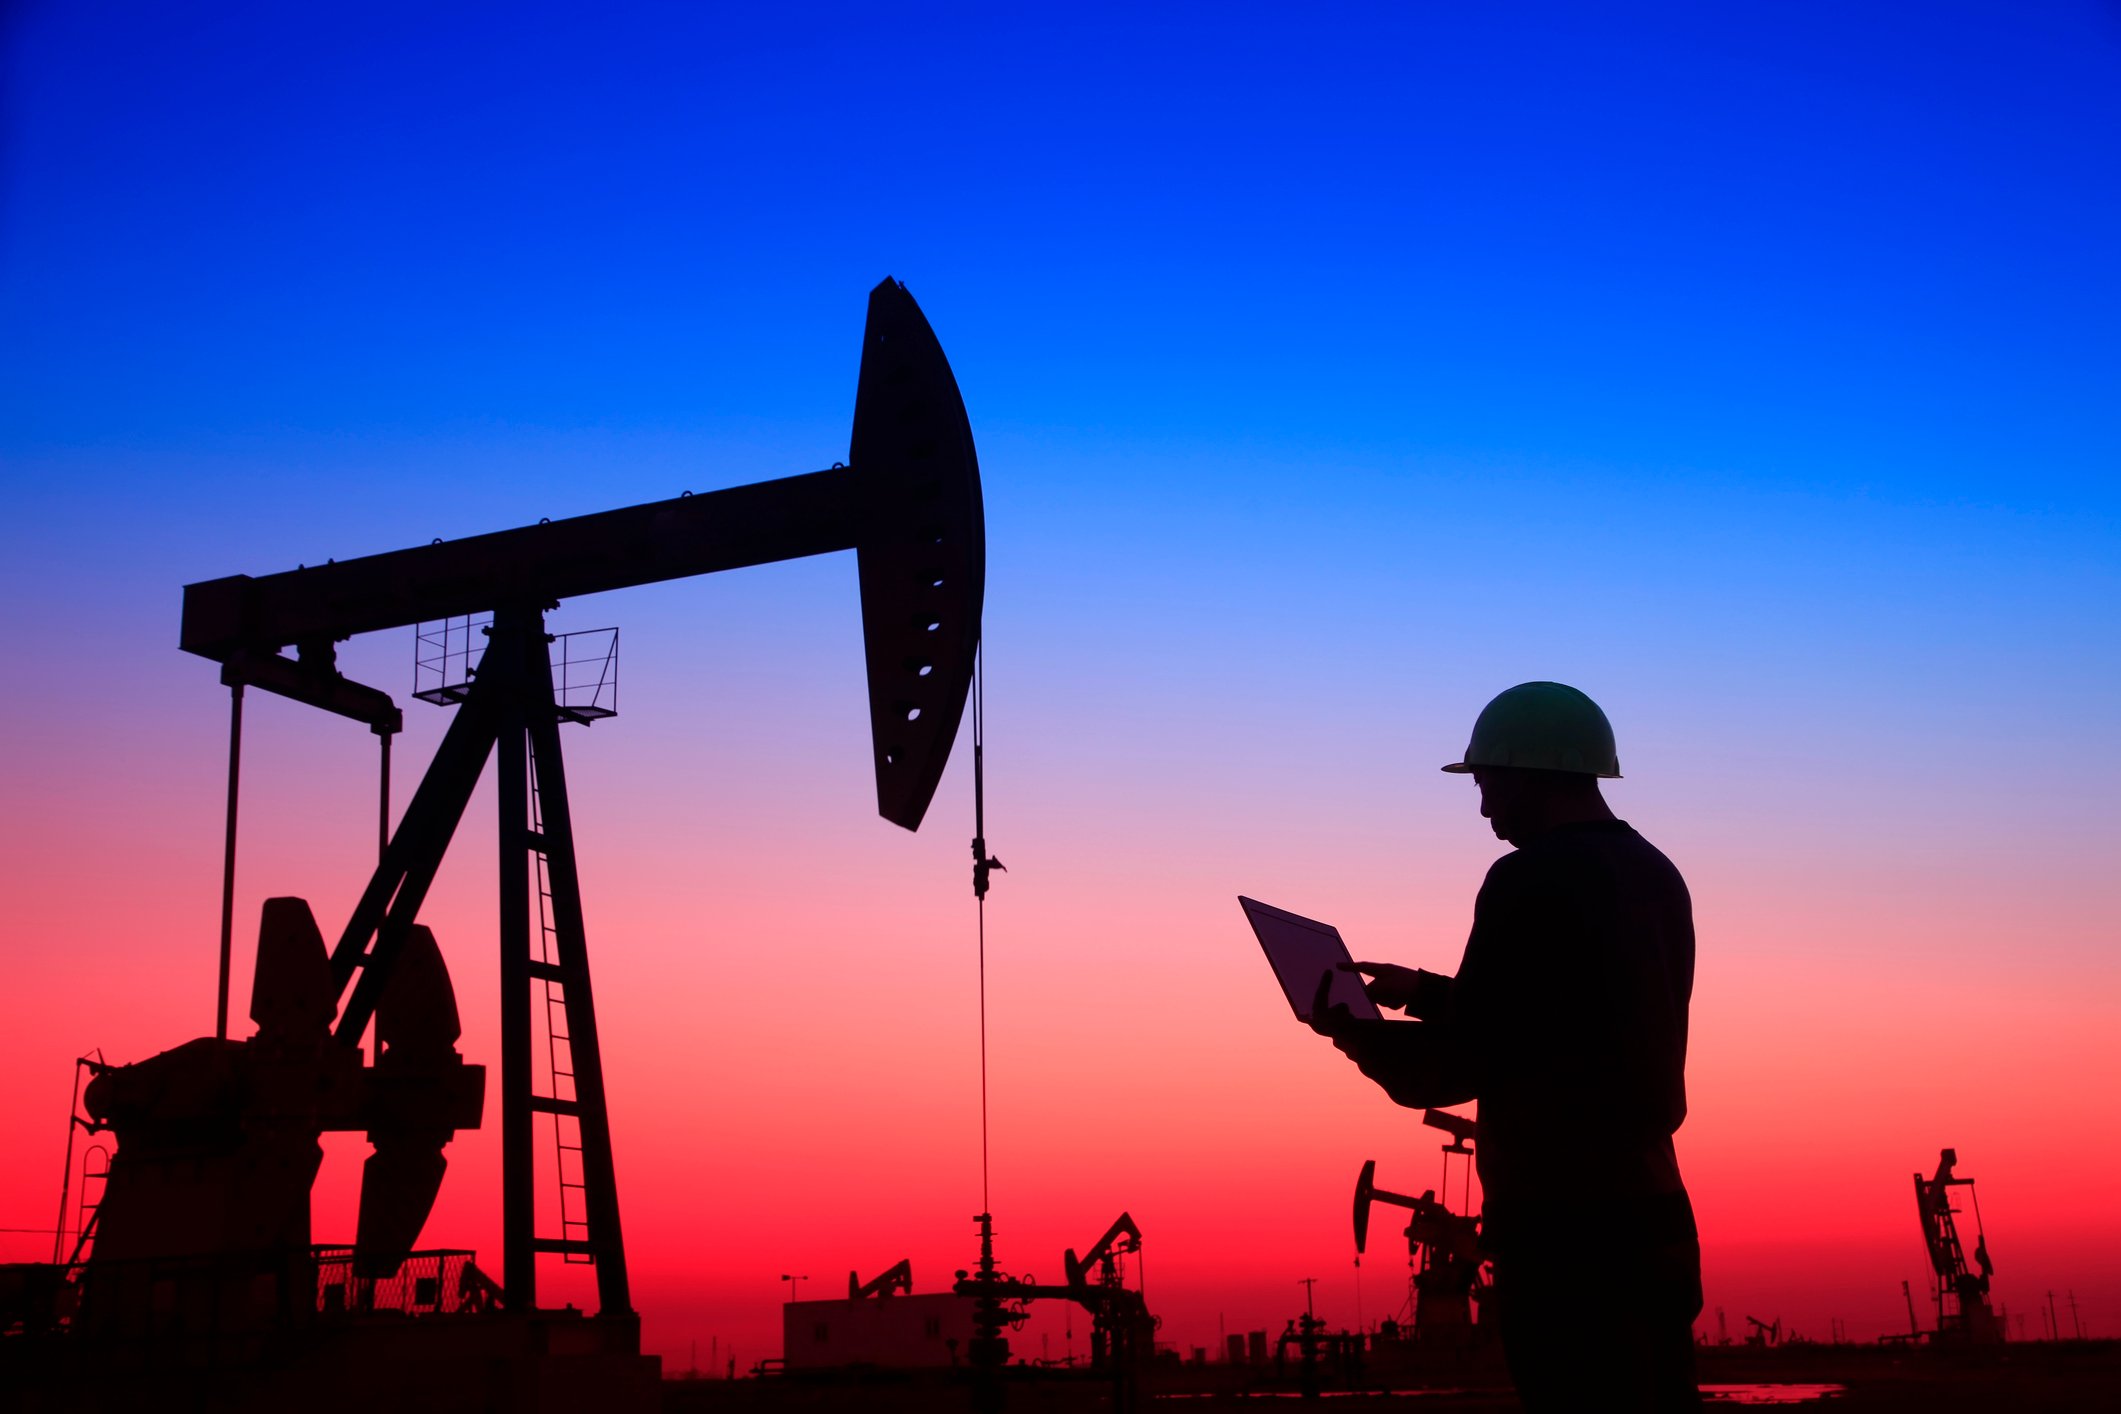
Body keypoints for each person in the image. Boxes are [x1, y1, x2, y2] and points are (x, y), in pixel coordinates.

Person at [1311, 682, 1703, 1411]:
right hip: (1654, 1216)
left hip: (1563, 1231)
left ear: (1528, 772)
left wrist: (1351, 1030)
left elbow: (1457, 1063)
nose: (1484, 805)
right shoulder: (1655, 874)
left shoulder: (1526, 878)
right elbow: (1565, 1020)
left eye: (1487, 782)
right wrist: (1423, 991)